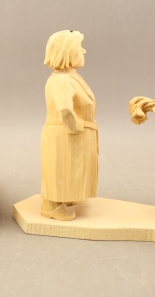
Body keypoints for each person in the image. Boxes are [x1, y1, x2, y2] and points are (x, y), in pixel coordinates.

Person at [40, 30, 99, 220]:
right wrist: (75, 127)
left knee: (72, 169)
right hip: (66, 134)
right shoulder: (61, 80)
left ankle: (66, 196)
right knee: (61, 168)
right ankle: (51, 206)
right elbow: (65, 109)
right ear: (67, 51)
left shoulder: (71, 77)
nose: (83, 51)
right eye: (79, 47)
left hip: (74, 134)